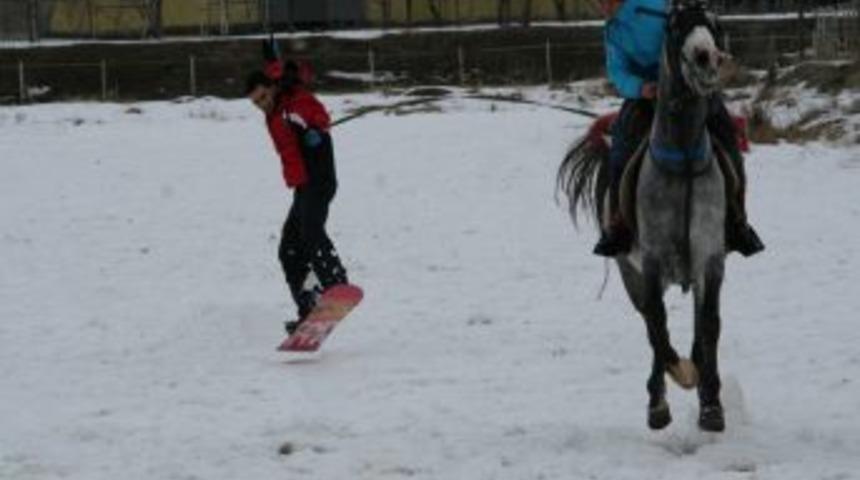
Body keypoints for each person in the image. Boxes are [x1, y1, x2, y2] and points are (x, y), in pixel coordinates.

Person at [593, 0, 764, 257]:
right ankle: (621, 225)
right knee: (620, 147)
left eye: (603, 0)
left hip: (690, 86)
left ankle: (737, 221)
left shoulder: (654, 5)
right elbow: (617, 72)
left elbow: (690, 28)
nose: (600, 5)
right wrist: (640, 87)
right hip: (646, 96)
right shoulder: (612, 30)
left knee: (727, 137)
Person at [246, 40, 348, 334]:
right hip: (302, 185)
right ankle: (309, 306)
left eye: (264, 97)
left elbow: (318, 114)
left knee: (310, 231)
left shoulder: (294, 101)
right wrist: (270, 54)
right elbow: (276, 72)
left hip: (319, 177)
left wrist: (316, 130)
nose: (262, 105)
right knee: (288, 248)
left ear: (273, 89)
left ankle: (334, 281)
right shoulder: (275, 101)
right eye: (256, 103)